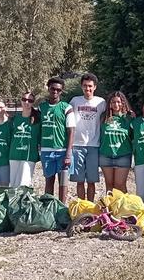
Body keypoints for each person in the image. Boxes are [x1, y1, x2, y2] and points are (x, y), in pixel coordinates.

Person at [69, 73, 106, 201]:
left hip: (94, 145)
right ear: (81, 86)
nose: (87, 88)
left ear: (95, 87)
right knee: (79, 181)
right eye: (85, 86)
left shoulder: (101, 102)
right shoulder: (75, 101)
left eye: (90, 86)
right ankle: (81, 206)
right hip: (77, 145)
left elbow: (111, 114)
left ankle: (90, 206)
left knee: (91, 181)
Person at [39, 78, 76, 202]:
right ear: (48, 89)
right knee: (49, 181)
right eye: (53, 89)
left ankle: (61, 207)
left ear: (61, 91)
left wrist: (68, 153)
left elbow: (71, 131)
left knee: (63, 182)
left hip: (62, 150)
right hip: (46, 150)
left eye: (58, 90)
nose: (55, 91)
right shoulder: (41, 108)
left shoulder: (67, 108)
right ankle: (48, 207)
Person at [99, 92, 133, 194]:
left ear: (123, 103)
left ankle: (123, 204)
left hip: (123, 155)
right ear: (109, 104)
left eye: (118, 102)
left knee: (120, 185)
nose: (116, 104)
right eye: (113, 102)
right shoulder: (104, 117)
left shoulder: (128, 118)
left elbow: (133, 136)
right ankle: (110, 204)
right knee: (109, 185)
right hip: (106, 154)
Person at [9, 92, 41, 188]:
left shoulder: (38, 119)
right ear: (21, 100)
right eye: (24, 99)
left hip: (29, 155)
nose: (26, 102)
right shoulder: (15, 118)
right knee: (13, 184)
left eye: (30, 100)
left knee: (24, 184)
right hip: (14, 154)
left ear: (33, 102)